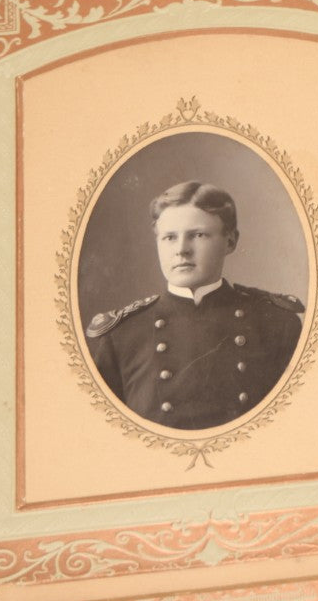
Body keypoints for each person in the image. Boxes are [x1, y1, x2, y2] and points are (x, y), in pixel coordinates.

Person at [86, 180, 303, 429]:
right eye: (169, 237)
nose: (181, 250)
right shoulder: (122, 336)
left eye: (198, 235)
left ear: (230, 241)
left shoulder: (277, 324)